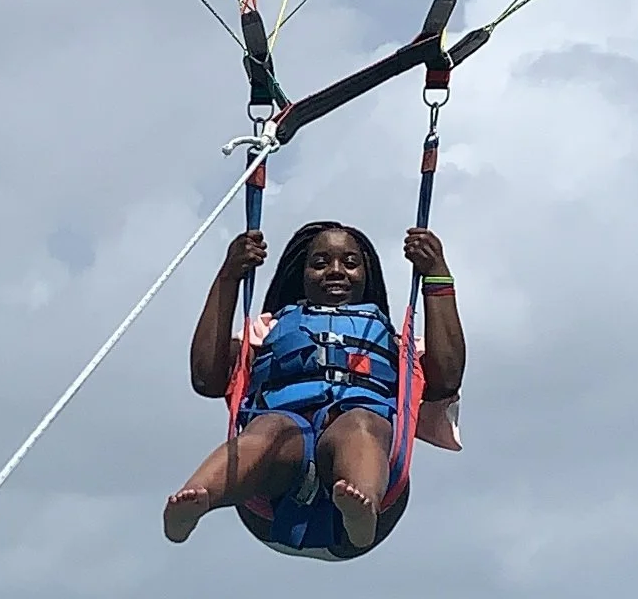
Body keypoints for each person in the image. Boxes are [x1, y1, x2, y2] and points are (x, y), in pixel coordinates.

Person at [162, 216, 464, 558]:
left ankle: (360, 505)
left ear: (367, 275)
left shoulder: (398, 344)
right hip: (277, 476)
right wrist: (229, 277)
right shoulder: (268, 329)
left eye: (350, 263)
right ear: (301, 275)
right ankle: (198, 497)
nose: (336, 270)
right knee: (270, 429)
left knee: (361, 425)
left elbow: (446, 379)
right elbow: (206, 378)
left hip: (365, 472)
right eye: (320, 263)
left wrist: (435, 273)